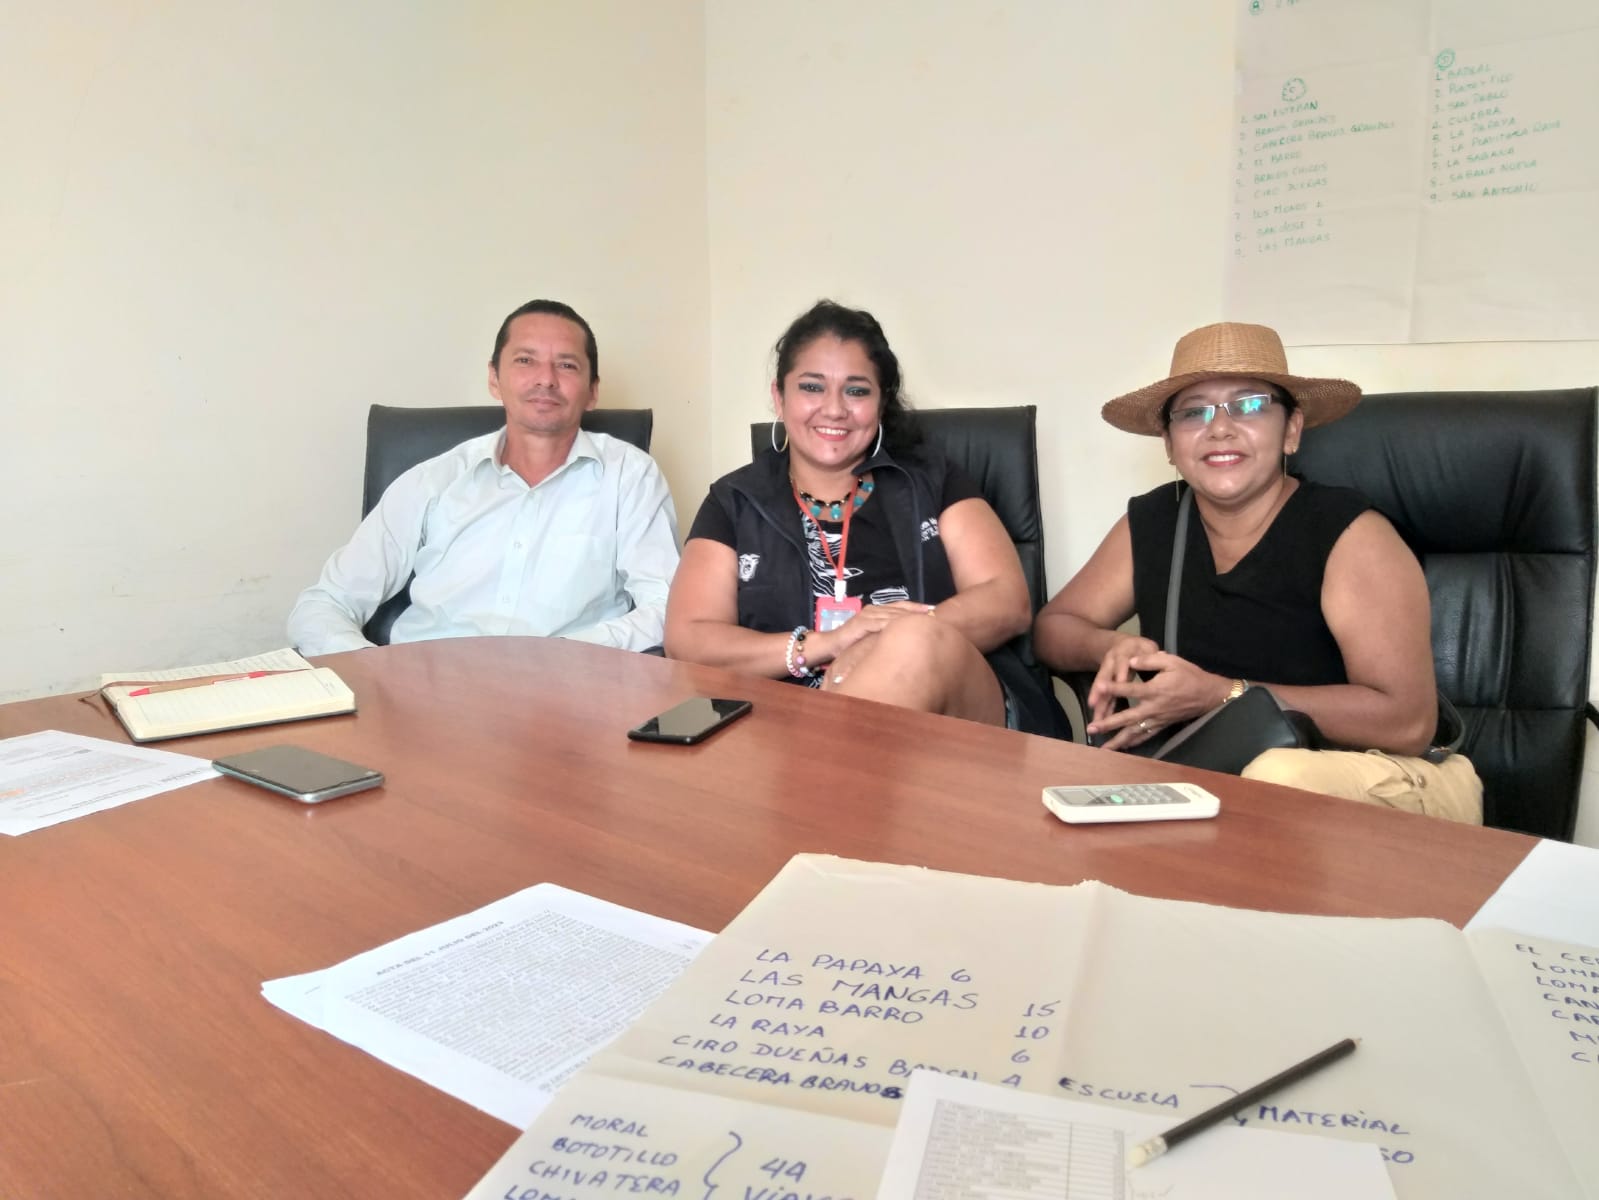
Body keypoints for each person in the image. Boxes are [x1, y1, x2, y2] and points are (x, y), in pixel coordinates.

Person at [1033, 322, 1482, 822]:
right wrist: (1112, 645)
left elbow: (1408, 723)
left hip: (1382, 777)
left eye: (1248, 405)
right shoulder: (1156, 520)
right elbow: (1053, 628)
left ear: (1291, 430)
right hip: (1228, 786)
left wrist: (1223, 694)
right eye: (1194, 412)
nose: (1220, 429)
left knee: (1275, 778)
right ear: (1169, 443)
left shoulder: (1351, 534)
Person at [665, 300, 1045, 729]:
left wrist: (882, 644)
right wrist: (824, 644)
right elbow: (688, 638)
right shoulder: (735, 500)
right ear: (779, 397)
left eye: (857, 390)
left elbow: (1006, 599)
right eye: (812, 387)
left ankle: (827, 760)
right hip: (783, 727)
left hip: (953, 723)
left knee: (914, 640)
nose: (834, 409)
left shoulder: (933, 480)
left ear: (881, 403)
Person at [287, 299, 679, 654]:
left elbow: (666, 606)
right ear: (494, 378)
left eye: (566, 365)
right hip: (423, 690)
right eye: (525, 360)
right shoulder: (434, 479)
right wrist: (376, 676)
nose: (546, 379)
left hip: (569, 690)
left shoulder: (630, 476)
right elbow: (324, 604)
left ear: (592, 391)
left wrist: (563, 655)